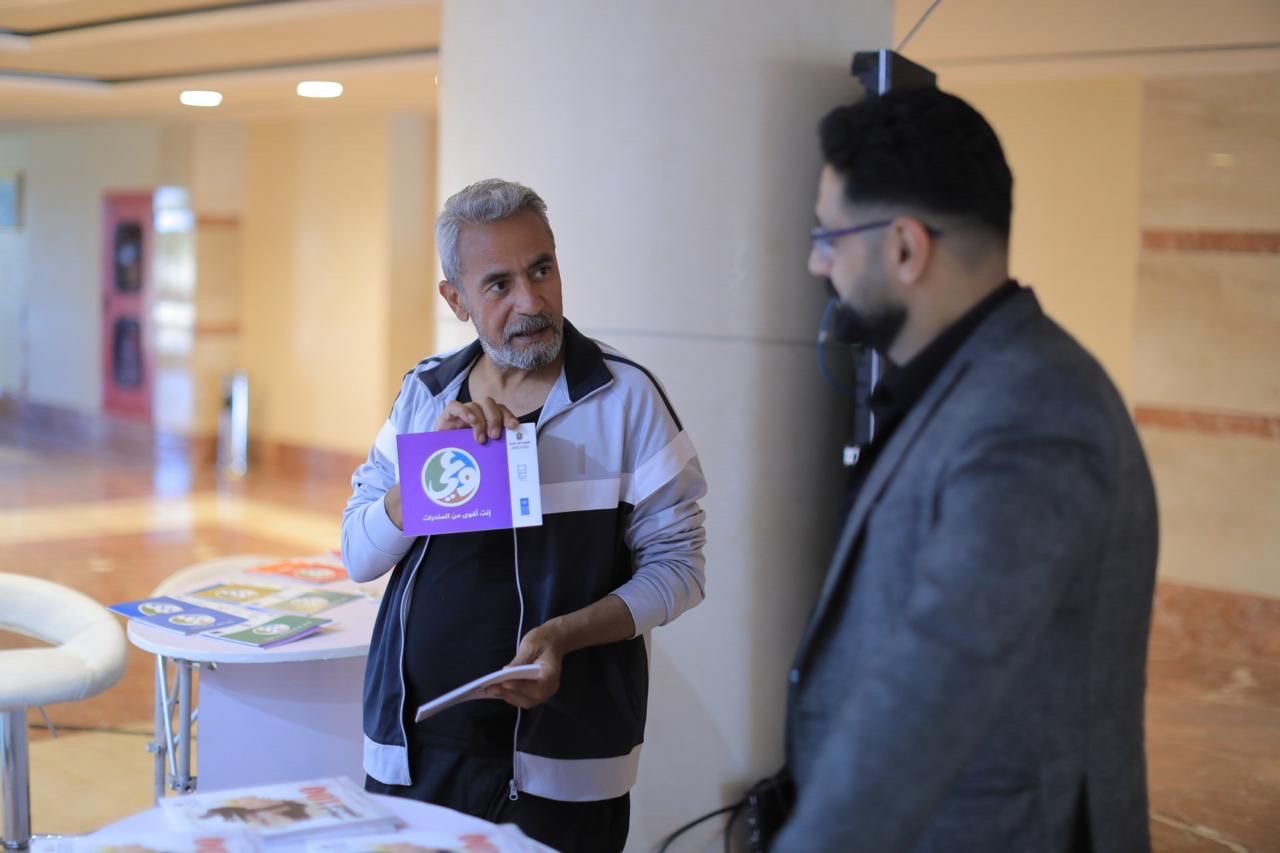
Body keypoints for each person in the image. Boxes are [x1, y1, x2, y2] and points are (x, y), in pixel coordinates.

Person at [774, 87, 1159, 852]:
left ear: (905, 248)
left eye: (829, 235)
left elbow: (936, 679)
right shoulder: (972, 380)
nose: (817, 261)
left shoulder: (1033, 409)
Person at [341, 179, 707, 853]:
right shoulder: (425, 394)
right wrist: (428, 475)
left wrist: (566, 634)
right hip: (416, 751)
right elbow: (359, 554)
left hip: (566, 761)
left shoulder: (625, 398)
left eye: (542, 270)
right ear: (456, 300)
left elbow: (680, 569)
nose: (531, 302)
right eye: (499, 284)